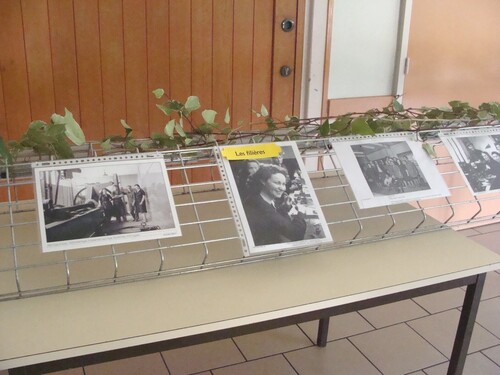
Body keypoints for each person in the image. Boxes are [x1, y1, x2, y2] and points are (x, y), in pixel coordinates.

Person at [243, 164, 306, 246]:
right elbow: (297, 234)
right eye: (277, 183)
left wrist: (284, 208)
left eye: (283, 184)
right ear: (263, 181)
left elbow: (273, 219)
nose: (282, 188)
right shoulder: (262, 207)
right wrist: (301, 212)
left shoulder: (256, 199)